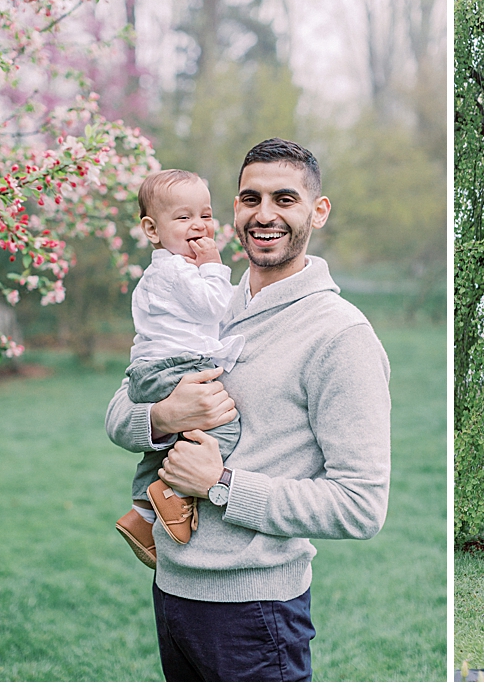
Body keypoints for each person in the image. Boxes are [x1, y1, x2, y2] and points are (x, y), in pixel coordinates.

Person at [105, 138, 391, 681]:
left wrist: (220, 483)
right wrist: (164, 417)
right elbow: (120, 408)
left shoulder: (341, 335)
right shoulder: (202, 303)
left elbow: (360, 506)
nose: (264, 214)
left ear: (318, 211)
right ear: (234, 210)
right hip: (172, 590)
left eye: (285, 199)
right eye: (249, 198)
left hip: (255, 613)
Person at [115, 169, 245, 568]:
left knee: (170, 441)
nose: (198, 225)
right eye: (184, 217)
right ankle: (174, 494)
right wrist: (214, 266)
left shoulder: (162, 274)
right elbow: (215, 307)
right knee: (224, 425)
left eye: (205, 215)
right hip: (176, 367)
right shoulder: (175, 270)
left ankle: (143, 511)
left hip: (151, 369)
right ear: (152, 230)